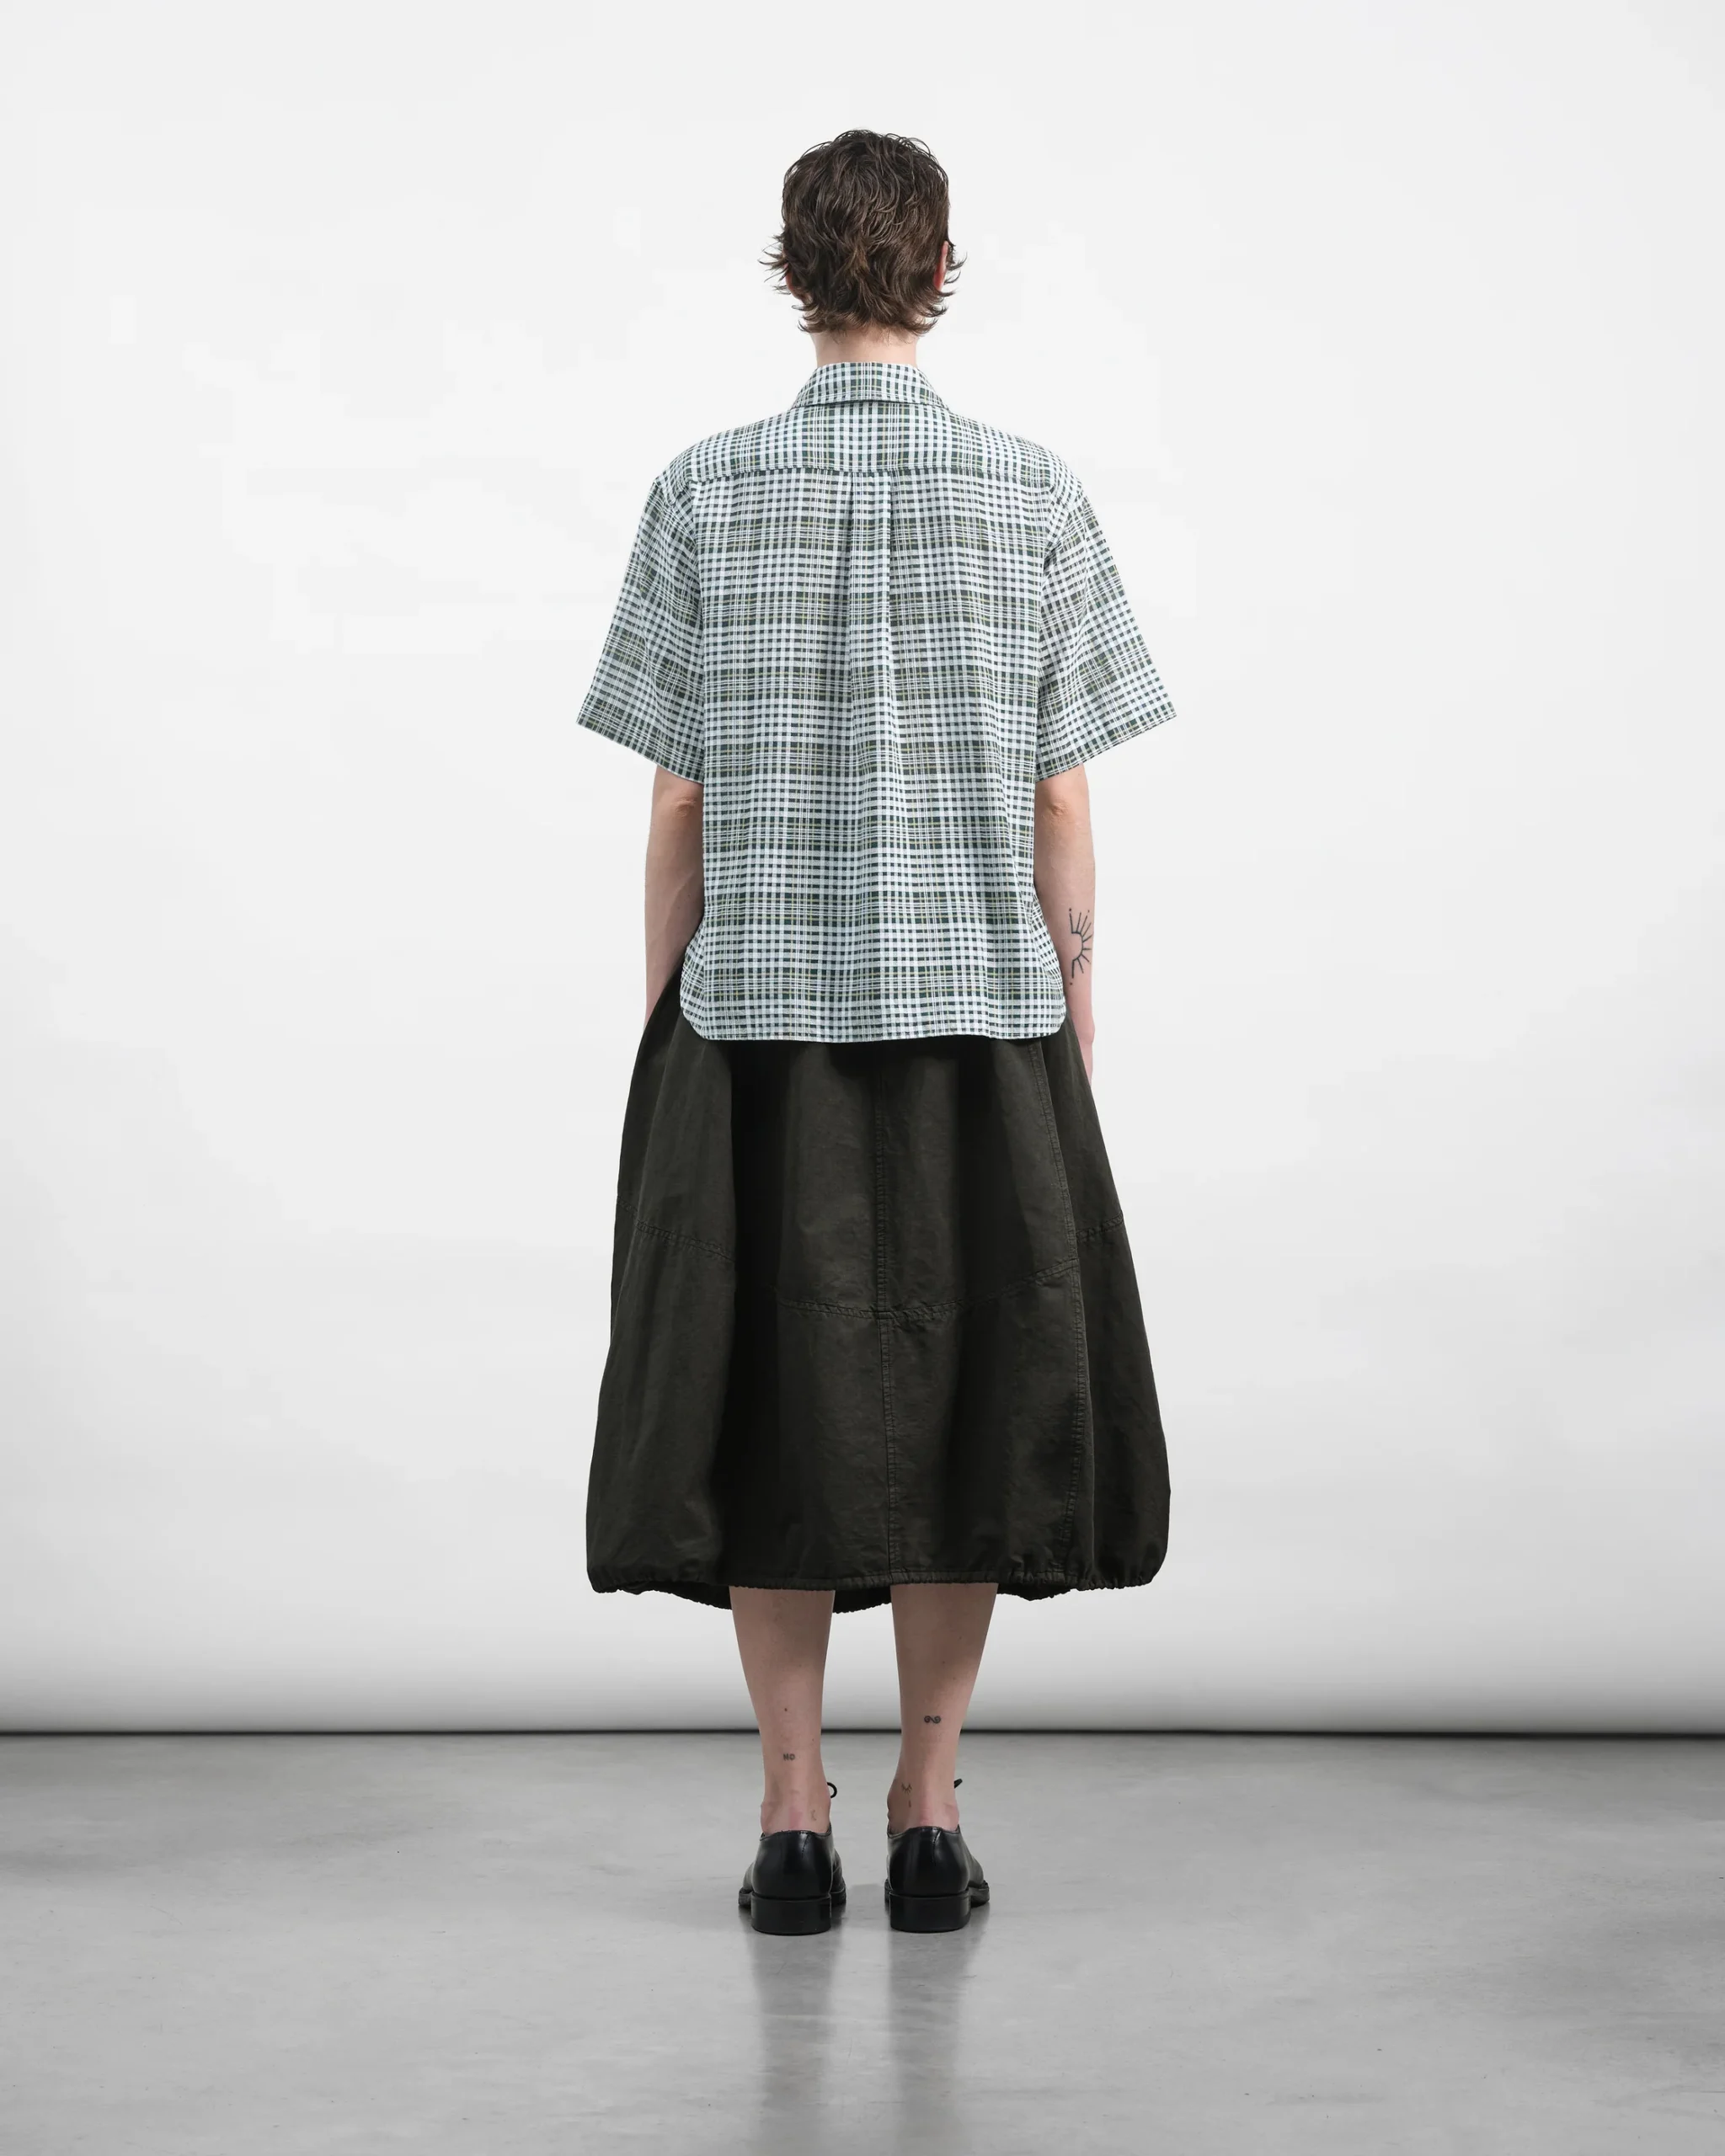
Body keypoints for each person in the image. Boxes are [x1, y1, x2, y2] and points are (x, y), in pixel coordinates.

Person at [575, 131, 1175, 1935]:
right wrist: (1076, 993)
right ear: (937, 272)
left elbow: (677, 797)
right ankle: (925, 1806)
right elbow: (1062, 794)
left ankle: (789, 1823)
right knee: (969, 1415)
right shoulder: (1032, 492)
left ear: (792, 272)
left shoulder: (703, 491)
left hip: (756, 1029)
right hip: (983, 1023)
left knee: (767, 1411)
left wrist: (665, 1004)